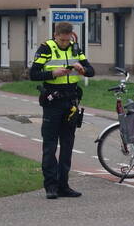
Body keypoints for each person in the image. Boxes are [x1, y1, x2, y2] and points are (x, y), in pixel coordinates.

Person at [30, 22, 95, 199]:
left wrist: (83, 70)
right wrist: (53, 74)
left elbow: (91, 71)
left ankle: (63, 185)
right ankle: (51, 186)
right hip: (53, 102)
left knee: (67, 145)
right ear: (55, 35)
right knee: (50, 146)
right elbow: (33, 74)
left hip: (71, 102)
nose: (65, 43)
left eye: (67, 40)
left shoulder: (75, 48)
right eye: (62, 39)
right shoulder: (46, 48)